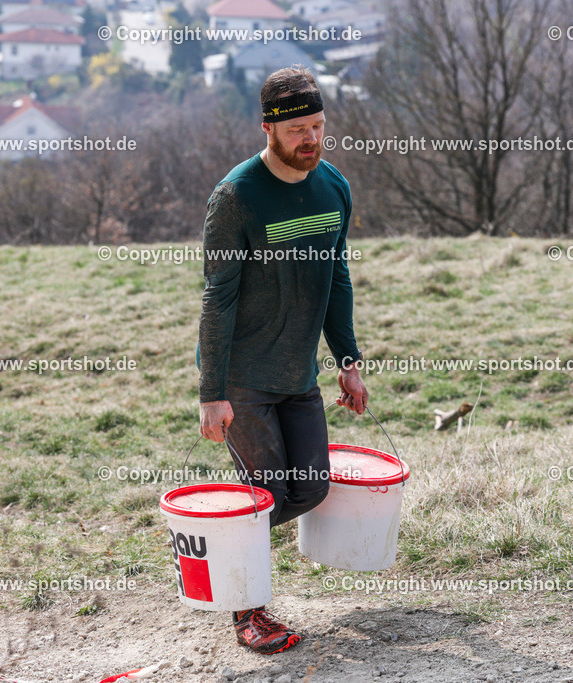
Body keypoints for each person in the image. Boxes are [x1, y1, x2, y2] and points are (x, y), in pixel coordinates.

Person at [197, 65, 368, 655]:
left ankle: (220, 539)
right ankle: (247, 611)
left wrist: (347, 359)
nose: (311, 140)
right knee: (265, 492)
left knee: (311, 488)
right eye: (298, 129)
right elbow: (217, 298)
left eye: (319, 126)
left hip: (299, 376)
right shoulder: (236, 198)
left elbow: (336, 276)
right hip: (243, 382)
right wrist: (210, 392)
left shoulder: (334, 188)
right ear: (268, 128)